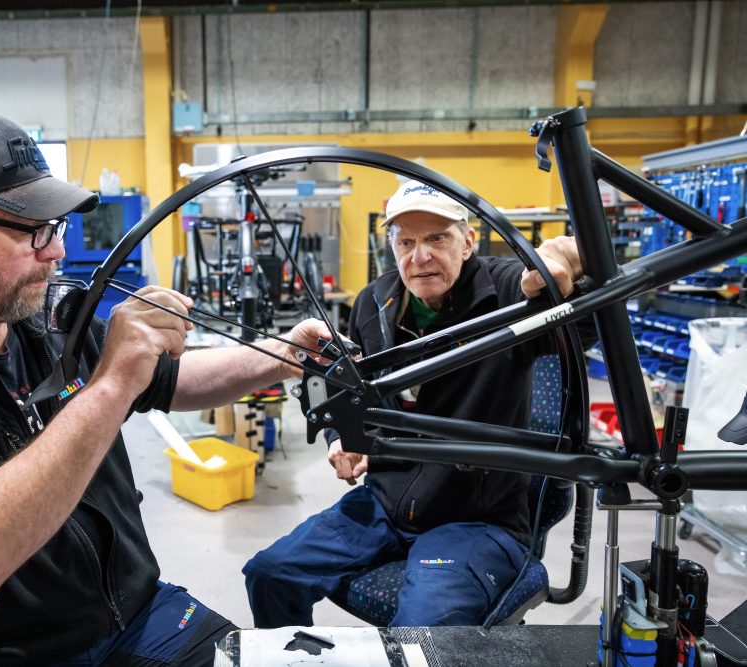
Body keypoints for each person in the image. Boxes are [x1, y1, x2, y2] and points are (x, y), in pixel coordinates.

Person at [0, 112, 330, 666]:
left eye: (57, 228)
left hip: (135, 614)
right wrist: (112, 383)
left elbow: (170, 379)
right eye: (32, 230)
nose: (54, 252)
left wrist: (284, 355)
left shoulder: (37, 322)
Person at [242, 180, 585, 628]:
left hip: (477, 519)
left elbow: (582, 335)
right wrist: (339, 436)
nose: (418, 256)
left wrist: (570, 271)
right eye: (406, 242)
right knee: (270, 574)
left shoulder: (507, 291)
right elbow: (344, 385)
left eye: (436, 238)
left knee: (422, 631)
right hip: (385, 503)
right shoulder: (374, 302)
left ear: (468, 242)